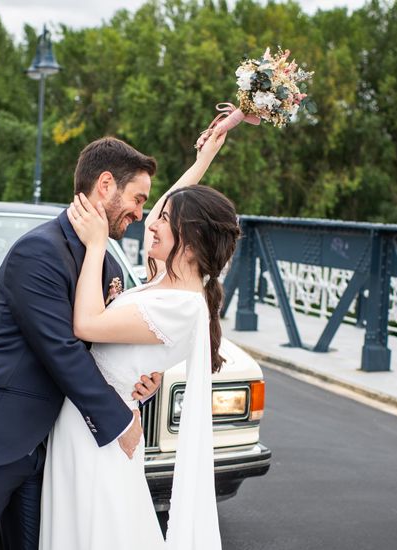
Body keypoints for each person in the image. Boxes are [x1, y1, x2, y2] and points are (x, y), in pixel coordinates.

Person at [0, 136, 163, 550]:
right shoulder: (37, 253)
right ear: (105, 185)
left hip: (47, 451)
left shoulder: (104, 261)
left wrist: (140, 381)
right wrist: (119, 420)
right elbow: (61, 350)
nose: (140, 214)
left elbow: (103, 346)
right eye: (138, 199)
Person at [40, 130, 240, 550]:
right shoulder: (165, 279)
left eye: (164, 219)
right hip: (98, 421)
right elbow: (163, 216)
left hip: (100, 432)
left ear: (191, 236)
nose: (151, 221)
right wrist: (205, 157)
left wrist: (96, 246)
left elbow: (88, 325)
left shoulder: (182, 305)